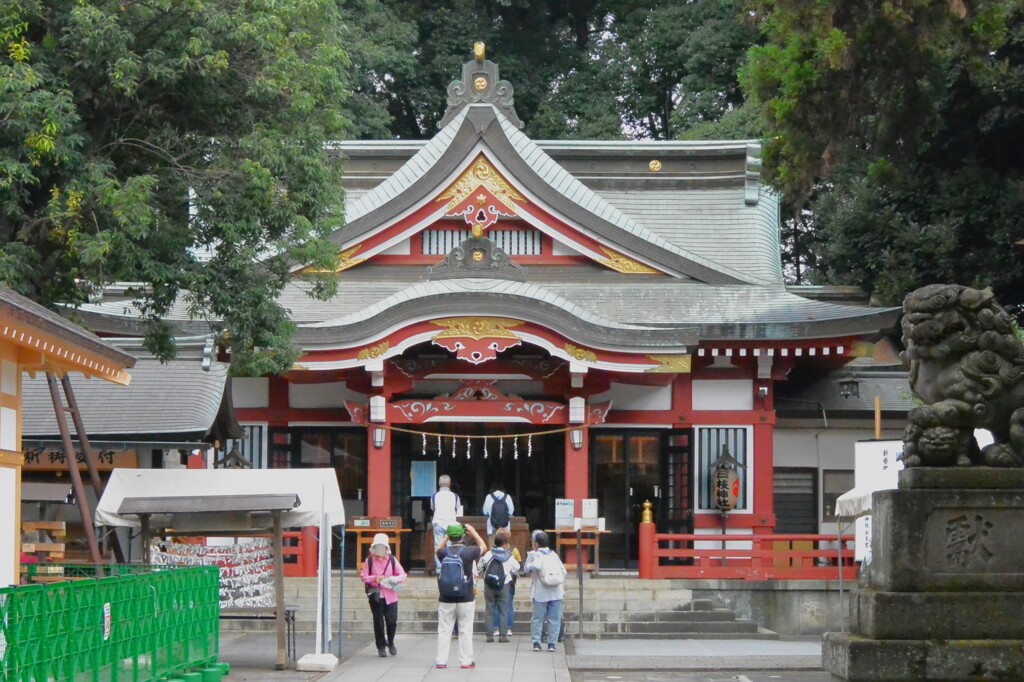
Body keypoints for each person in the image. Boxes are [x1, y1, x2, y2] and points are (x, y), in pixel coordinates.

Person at [435, 522, 486, 669]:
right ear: (462, 535)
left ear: (450, 536)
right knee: (465, 629)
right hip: (466, 596)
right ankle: (465, 661)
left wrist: (445, 537)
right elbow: (484, 546)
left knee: (444, 630)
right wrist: (474, 531)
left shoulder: (443, 553)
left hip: (445, 598)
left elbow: (437, 548)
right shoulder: (469, 552)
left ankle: (441, 661)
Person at [359, 533, 407, 657]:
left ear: (386, 548)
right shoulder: (369, 561)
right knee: (378, 622)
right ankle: (381, 646)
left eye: (382, 546)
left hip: (391, 595)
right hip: (376, 595)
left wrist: (393, 579)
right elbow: (363, 577)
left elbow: (402, 574)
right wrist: (375, 578)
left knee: (392, 621)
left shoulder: (392, 559)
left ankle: (390, 642)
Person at [523, 529, 567, 652]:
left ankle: (536, 642)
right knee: (554, 619)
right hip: (557, 592)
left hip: (541, 592)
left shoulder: (536, 554)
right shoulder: (554, 554)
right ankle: (552, 644)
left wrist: (530, 563)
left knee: (537, 618)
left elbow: (531, 568)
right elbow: (564, 571)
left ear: (535, 544)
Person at [478, 530, 520, 643]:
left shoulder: (488, 554)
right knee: (503, 610)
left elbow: (480, 566)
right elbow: (517, 567)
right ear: (505, 544)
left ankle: (489, 635)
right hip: (504, 585)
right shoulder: (508, 556)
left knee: (489, 609)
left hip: (489, 585)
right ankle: (502, 636)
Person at [490, 528, 521, 637]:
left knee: (494, 605)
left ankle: (495, 627)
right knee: (508, 605)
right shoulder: (513, 551)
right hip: (508, 582)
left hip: (493, 581)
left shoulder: (491, 552)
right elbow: (518, 566)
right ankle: (507, 628)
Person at [431, 475, 461, 572]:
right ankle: (451, 567)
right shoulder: (455, 496)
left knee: (438, 546)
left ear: (439, 484)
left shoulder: (434, 496)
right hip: (451, 524)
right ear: (449, 484)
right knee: (451, 546)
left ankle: (439, 569)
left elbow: (433, 508)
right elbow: (457, 508)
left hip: (438, 522)